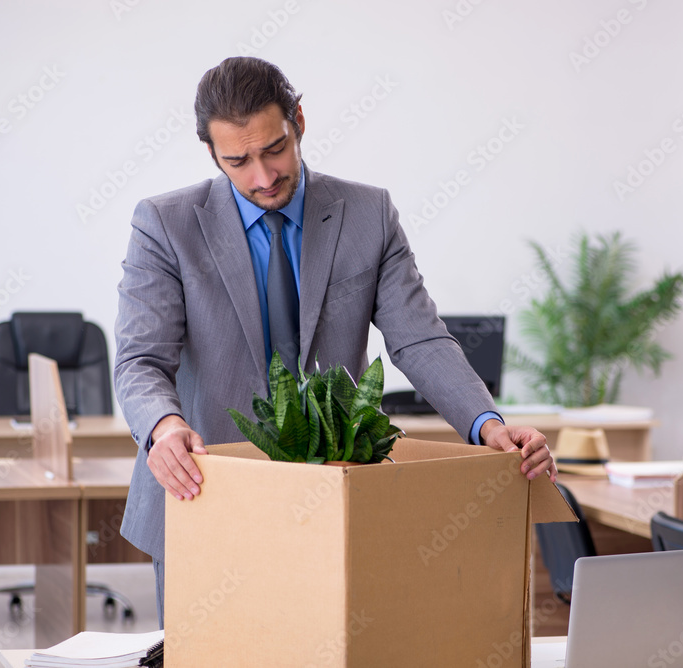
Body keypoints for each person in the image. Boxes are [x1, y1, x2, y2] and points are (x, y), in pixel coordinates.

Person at [113, 56, 557, 626]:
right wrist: (163, 426)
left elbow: (420, 339)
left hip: (335, 497)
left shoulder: (369, 215)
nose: (262, 176)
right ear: (211, 153)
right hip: (206, 496)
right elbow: (141, 358)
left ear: (298, 120)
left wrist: (488, 425)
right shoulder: (165, 223)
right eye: (238, 161)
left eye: (274, 149)